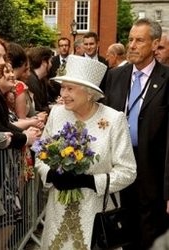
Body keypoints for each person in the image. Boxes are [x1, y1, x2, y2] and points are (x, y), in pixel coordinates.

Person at [37, 55, 136, 249]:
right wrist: (50, 174)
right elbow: (41, 154)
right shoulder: (57, 113)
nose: (63, 94)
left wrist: (90, 182)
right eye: (62, 87)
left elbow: (128, 171)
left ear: (90, 93)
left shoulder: (114, 120)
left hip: (94, 213)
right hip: (58, 211)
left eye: (70, 88)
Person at [105, 18, 169, 249]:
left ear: (154, 45)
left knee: (149, 235)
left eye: (139, 40)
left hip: (152, 174)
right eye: (130, 39)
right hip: (119, 166)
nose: (131, 45)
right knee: (123, 233)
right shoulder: (115, 76)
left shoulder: (166, 79)